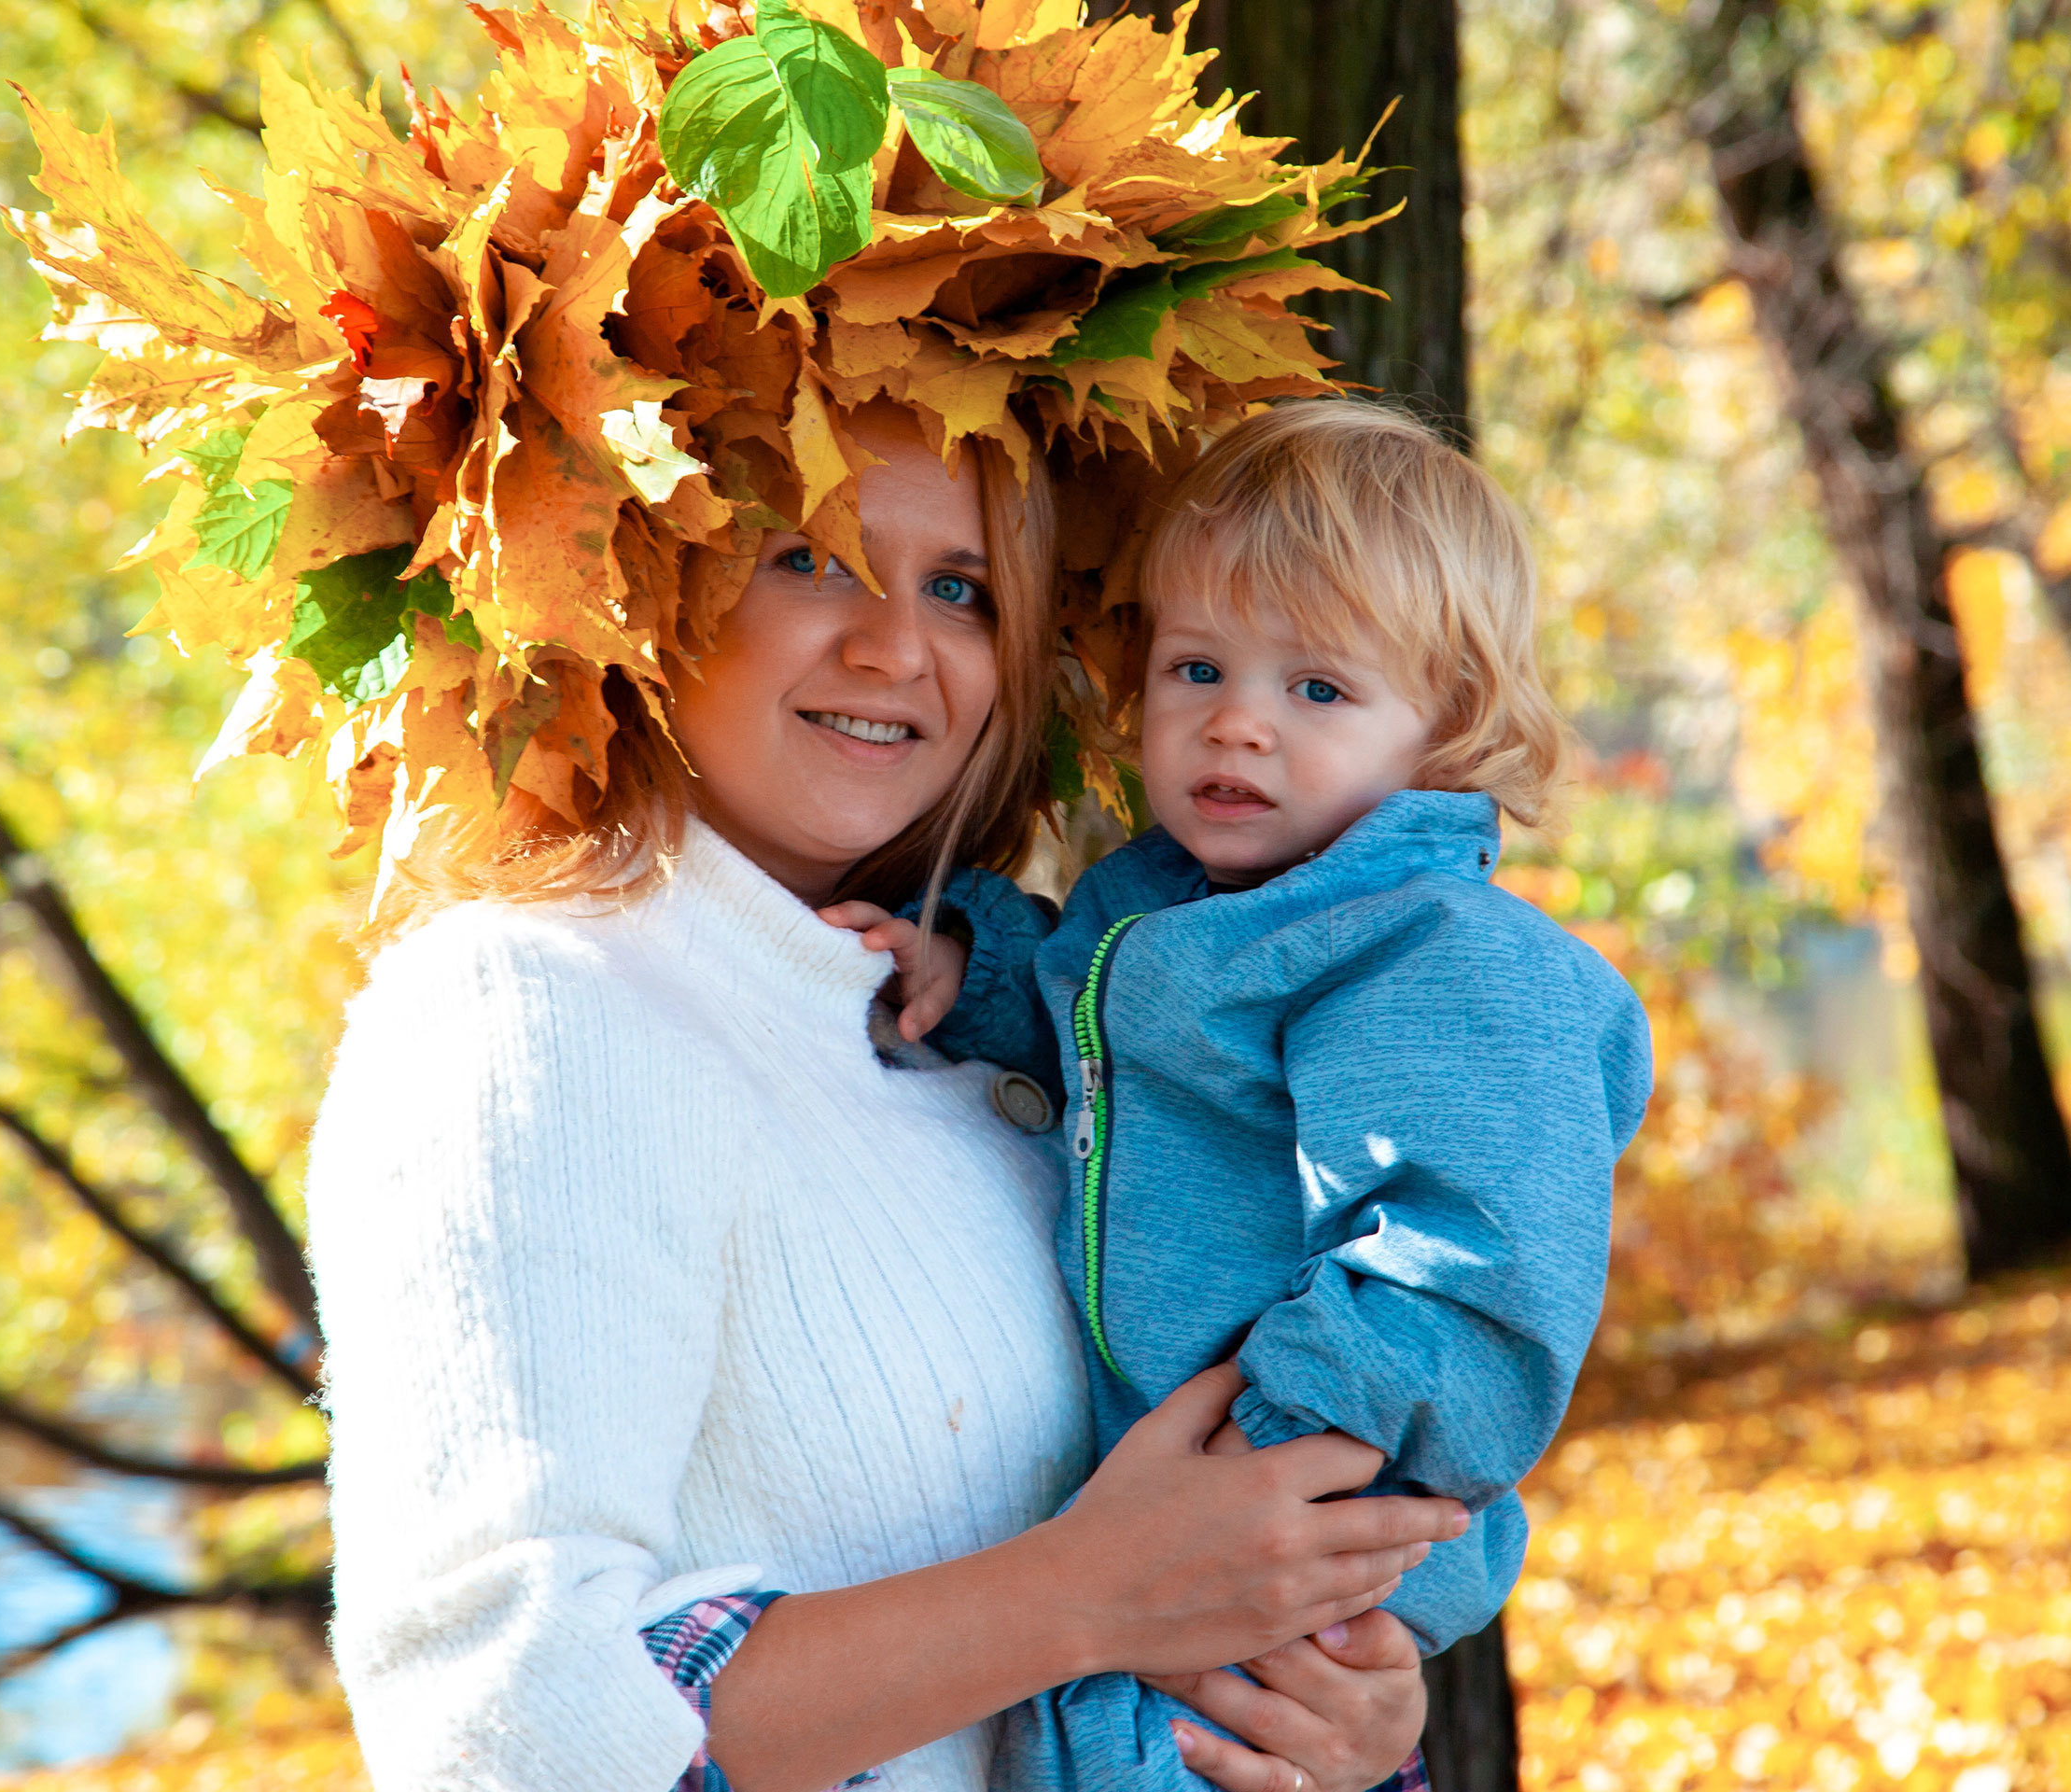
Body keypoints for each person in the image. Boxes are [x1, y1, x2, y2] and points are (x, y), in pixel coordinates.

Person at [305, 404, 1468, 1792]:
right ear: (629, 575)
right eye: (810, 558)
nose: (896, 647)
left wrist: (1340, 1727)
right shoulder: (536, 999)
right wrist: (1088, 1594)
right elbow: (507, 1722)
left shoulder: (988, 1027)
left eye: (963, 592)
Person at [832, 401, 1654, 1792]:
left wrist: (1255, 1466)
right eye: (1198, 667)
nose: (1237, 723)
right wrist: (978, 973)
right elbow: (1102, 1056)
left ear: (1449, 728)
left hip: (1288, 1543)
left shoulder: (1433, 956)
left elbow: (1470, 1279)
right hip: (1173, 1542)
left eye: (1317, 690)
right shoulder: (1171, 912)